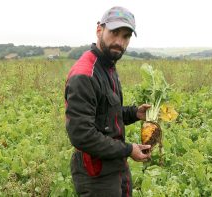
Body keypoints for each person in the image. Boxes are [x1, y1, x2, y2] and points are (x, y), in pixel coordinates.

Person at [64, 6, 151, 197]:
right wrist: (129, 149)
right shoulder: (85, 74)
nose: (119, 42)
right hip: (96, 173)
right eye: (114, 33)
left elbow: (108, 113)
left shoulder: (108, 65)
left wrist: (135, 113)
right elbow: (82, 135)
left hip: (115, 164)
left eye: (126, 36)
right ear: (99, 30)